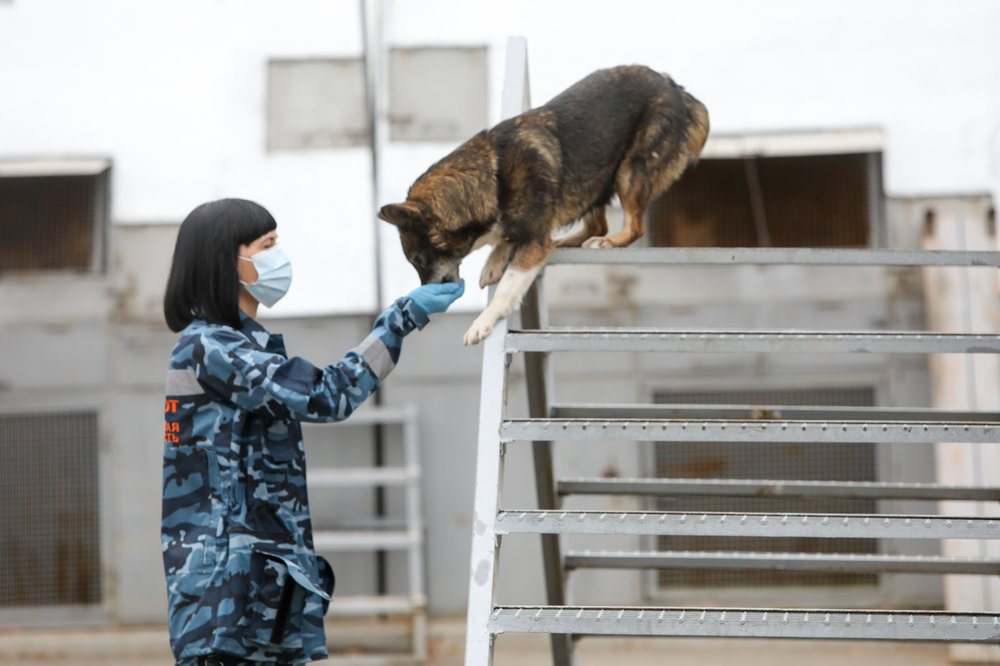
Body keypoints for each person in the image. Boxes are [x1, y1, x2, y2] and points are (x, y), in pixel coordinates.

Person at [160, 198, 463, 665]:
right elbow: (326, 395)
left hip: (255, 590)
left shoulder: (239, 344)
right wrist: (400, 320)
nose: (278, 257)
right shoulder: (211, 347)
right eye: (266, 246)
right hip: (225, 602)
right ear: (226, 261)